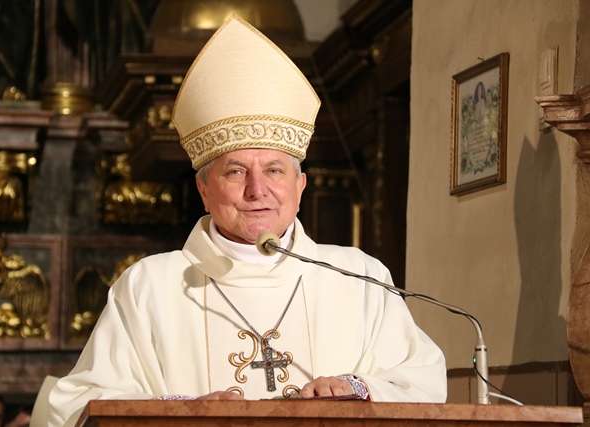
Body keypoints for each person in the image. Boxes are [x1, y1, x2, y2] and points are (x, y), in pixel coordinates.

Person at [47, 15, 447, 427]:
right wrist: (183, 411)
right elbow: (80, 403)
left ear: (300, 186)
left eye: (274, 170)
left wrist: (357, 389)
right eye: (236, 171)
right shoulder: (148, 286)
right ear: (204, 189)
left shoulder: (361, 278)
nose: (257, 190)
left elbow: (421, 382)